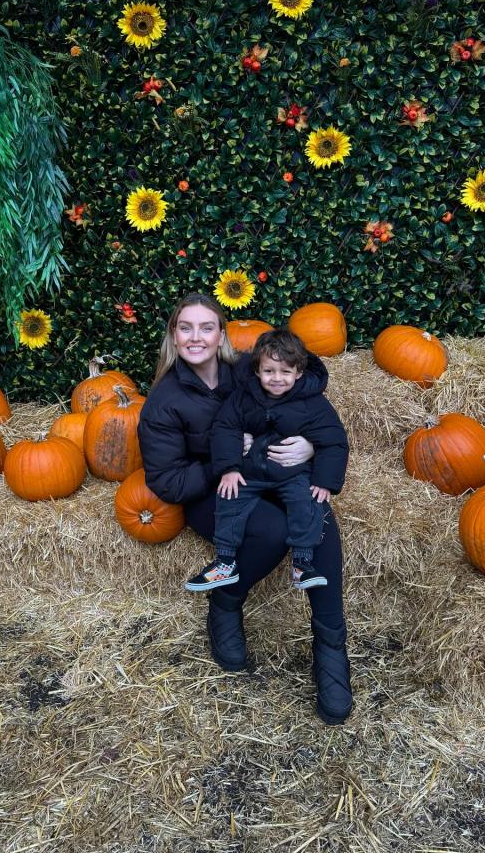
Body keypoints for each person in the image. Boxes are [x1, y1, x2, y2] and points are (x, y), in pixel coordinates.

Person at [137, 293, 352, 725]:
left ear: (222, 335)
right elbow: (166, 481)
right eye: (185, 327)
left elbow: (303, 398)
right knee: (272, 533)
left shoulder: (250, 371)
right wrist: (227, 462)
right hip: (215, 493)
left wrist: (310, 444)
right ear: (174, 336)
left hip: (273, 476)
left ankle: (330, 647)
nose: (196, 337)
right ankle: (226, 599)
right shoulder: (163, 402)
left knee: (318, 516)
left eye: (206, 327)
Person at [184, 328, 349, 594]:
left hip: (291, 472)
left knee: (307, 502)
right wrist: (229, 468)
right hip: (251, 470)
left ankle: (302, 562)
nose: (277, 378)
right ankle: (225, 561)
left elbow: (334, 440)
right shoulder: (244, 397)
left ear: (298, 373)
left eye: (285, 372)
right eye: (269, 371)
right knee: (229, 497)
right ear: (258, 371)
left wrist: (325, 481)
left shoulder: (313, 403)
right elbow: (225, 428)